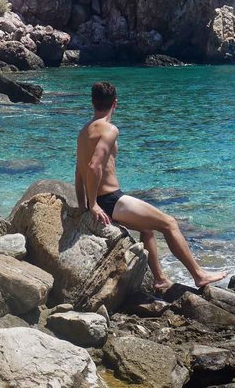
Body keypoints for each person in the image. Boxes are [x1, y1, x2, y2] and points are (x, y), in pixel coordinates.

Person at [75, 80, 227, 291]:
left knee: (147, 229)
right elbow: (93, 167)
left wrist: (83, 206)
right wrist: (93, 205)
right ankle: (199, 275)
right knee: (169, 223)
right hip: (110, 200)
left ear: (92, 102)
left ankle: (160, 279)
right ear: (115, 104)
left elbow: (79, 173)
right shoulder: (109, 129)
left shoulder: (83, 132)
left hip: (103, 201)